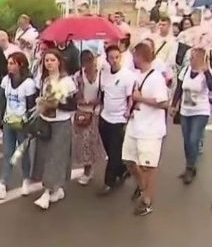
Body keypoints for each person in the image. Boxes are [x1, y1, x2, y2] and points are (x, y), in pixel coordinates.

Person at [123, 42, 169, 216]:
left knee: (148, 166)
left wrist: (141, 99)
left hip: (150, 130)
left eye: (134, 55)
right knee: (128, 160)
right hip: (135, 125)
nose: (133, 59)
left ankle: (147, 200)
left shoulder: (156, 78)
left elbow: (163, 103)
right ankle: (142, 188)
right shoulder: (136, 75)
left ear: (140, 57)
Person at [0, 52, 37, 199]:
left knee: (23, 153)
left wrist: (28, 122)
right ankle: (2, 184)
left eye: (13, 63)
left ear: (21, 65)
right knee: (8, 153)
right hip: (9, 121)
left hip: (22, 123)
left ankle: (26, 179)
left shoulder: (28, 83)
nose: (9, 66)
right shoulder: (6, 80)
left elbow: (31, 105)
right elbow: (2, 100)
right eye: (8, 63)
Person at [33, 49, 77, 210]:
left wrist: (57, 104)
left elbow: (73, 105)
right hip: (45, 121)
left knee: (56, 157)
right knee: (45, 156)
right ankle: (56, 189)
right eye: (47, 61)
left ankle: (46, 192)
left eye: (52, 60)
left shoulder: (67, 82)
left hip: (61, 123)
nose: (49, 63)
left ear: (59, 61)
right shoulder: (44, 81)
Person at [171, 48, 212, 184]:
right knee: (186, 141)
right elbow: (179, 89)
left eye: (195, 57)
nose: (192, 60)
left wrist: (207, 70)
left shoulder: (206, 73)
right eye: (191, 57)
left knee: (193, 139)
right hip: (186, 111)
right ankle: (189, 165)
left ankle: (190, 168)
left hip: (200, 111)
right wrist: (174, 105)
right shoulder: (185, 70)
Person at [98, 45, 136, 195]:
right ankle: (122, 169)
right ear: (107, 59)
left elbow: (130, 97)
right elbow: (102, 93)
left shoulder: (127, 75)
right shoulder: (105, 74)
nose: (114, 60)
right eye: (111, 57)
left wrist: (128, 112)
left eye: (117, 57)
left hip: (119, 118)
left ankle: (109, 182)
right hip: (105, 116)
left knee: (114, 152)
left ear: (121, 57)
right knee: (109, 148)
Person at [73, 50, 105, 185]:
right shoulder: (78, 76)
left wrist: (96, 102)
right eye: (85, 62)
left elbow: (103, 94)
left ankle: (91, 167)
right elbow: (75, 95)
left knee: (92, 142)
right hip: (81, 112)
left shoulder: (101, 75)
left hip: (96, 112)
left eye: (90, 61)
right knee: (83, 143)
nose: (88, 64)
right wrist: (80, 93)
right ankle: (87, 169)